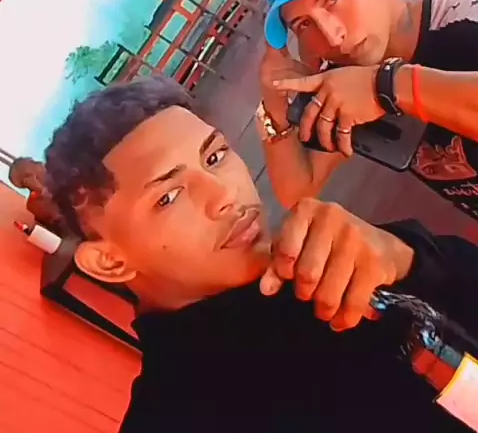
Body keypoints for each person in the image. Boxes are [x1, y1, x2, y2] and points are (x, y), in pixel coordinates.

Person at [43, 75, 478, 433]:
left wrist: (408, 258)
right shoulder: (174, 418)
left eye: (215, 156)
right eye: (168, 197)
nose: (224, 195)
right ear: (110, 261)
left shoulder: (339, 259)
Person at [259, 0, 478, 218]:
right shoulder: (347, 77)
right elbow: (297, 191)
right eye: (304, 24)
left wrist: (386, 87)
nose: (331, 36)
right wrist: (273, 111)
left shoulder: (465, 20)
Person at [9, 156, 63, 233]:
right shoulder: (33, 204)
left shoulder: (58, 174)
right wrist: (40, 189)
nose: (41, 163)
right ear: (30, 179)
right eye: (35, 163)